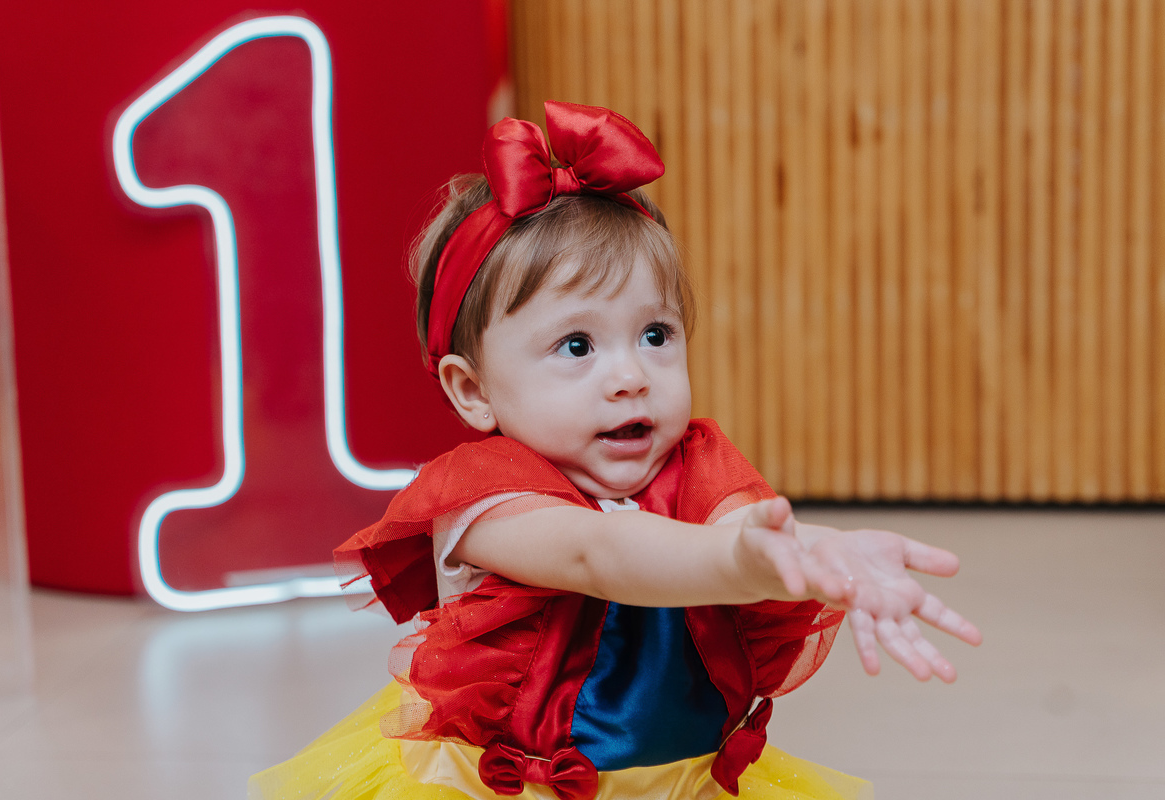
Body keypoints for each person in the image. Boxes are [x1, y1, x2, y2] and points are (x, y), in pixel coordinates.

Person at [249, 101, 982, 800]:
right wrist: (739, 562)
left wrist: (824, 553)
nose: (631, 376)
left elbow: (746, 531)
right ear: (473, 391)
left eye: (655, 334)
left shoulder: (695, 463)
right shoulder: (483, 498)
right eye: (577, 346)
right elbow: (598, 552)